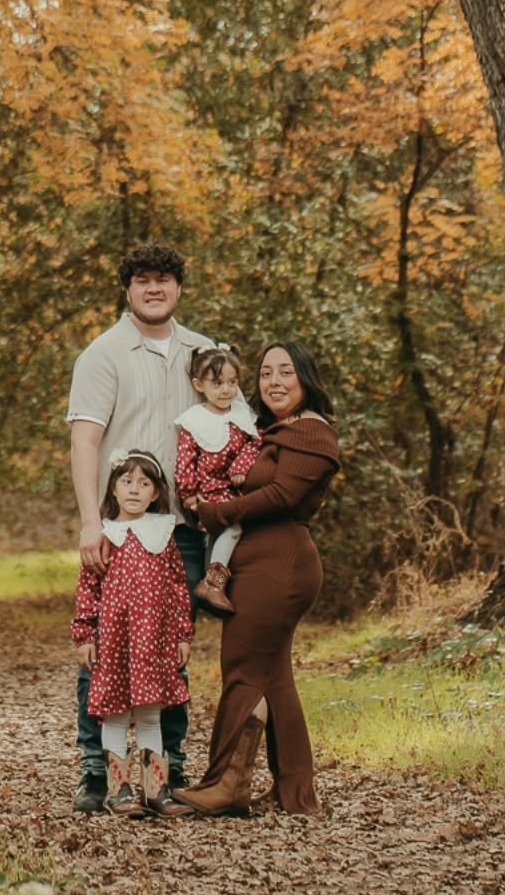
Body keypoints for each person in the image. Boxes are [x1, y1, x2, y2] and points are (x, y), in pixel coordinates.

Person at [67, 243, 213, 814]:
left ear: (179, 287)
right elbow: (85, 440)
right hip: (117, 528)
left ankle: (167, 771)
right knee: (102, 649)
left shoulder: (203, 352)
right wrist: (88, 523)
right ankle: (97, 772)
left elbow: (231, 428)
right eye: (144, 280)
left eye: (165, 280)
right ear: (128, 288)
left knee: (170, 649)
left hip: (183, 527)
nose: (155, 289)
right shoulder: (103, 355)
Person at [176, 339, 340, 818]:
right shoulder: (269, 430)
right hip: (259, 560)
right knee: (275, 677)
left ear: (305, 378)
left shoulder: (312, 432)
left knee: (244, 665)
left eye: (285, 372)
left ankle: (226, 783)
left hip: (281, 562)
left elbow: (283, 495)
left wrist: (215, 512)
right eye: (266, 374)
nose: (274, 382)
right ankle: (296, 793)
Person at [71, 449, 195, 818]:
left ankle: (156, 790)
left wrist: (181, 636)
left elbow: (177, 588)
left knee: (151, 715)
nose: (135, 490)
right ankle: (119, 792)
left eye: (144, 483)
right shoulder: (105, 534)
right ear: (113, 487)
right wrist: (84, 635)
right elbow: (88, 588)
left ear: (156, 493)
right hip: (115, 642)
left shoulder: (164, 534)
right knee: (115, 714)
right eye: (127, 481)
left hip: (152, 643)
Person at [173, 344, 260, 614]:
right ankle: (213, 585)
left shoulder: (241, 414)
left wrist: (242, 466)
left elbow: (255, 443)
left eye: (232, 382)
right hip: (209, 491)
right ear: (199, 385)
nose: (226, 390)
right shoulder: (195, 420)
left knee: (231, 534)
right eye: (218, 383)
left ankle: (215, 588)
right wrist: (187, 493)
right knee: (232, 528)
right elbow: (185, 457)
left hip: (235, 489)